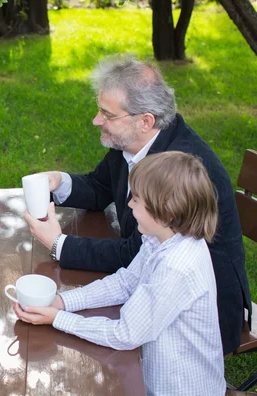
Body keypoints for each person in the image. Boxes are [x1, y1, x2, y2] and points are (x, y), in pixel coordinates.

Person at [24, 54, 251, 355]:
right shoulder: (134, 141)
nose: (96, 120)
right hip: (150, 287)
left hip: (203, 317)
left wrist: (59, 244)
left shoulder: (179, 171)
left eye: (107, 114)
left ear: (145, 120)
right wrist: (58, 181)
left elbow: (133, 253)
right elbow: (101, 186)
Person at [16, 151, 226, 395]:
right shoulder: (160, 238)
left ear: (165, 213)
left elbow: (125, 334)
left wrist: (57, 319)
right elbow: (126, 282)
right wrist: (62, 302)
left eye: (136, 200)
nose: (129, 204)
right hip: (152, 373)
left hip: (176, 389)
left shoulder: (176, 267)